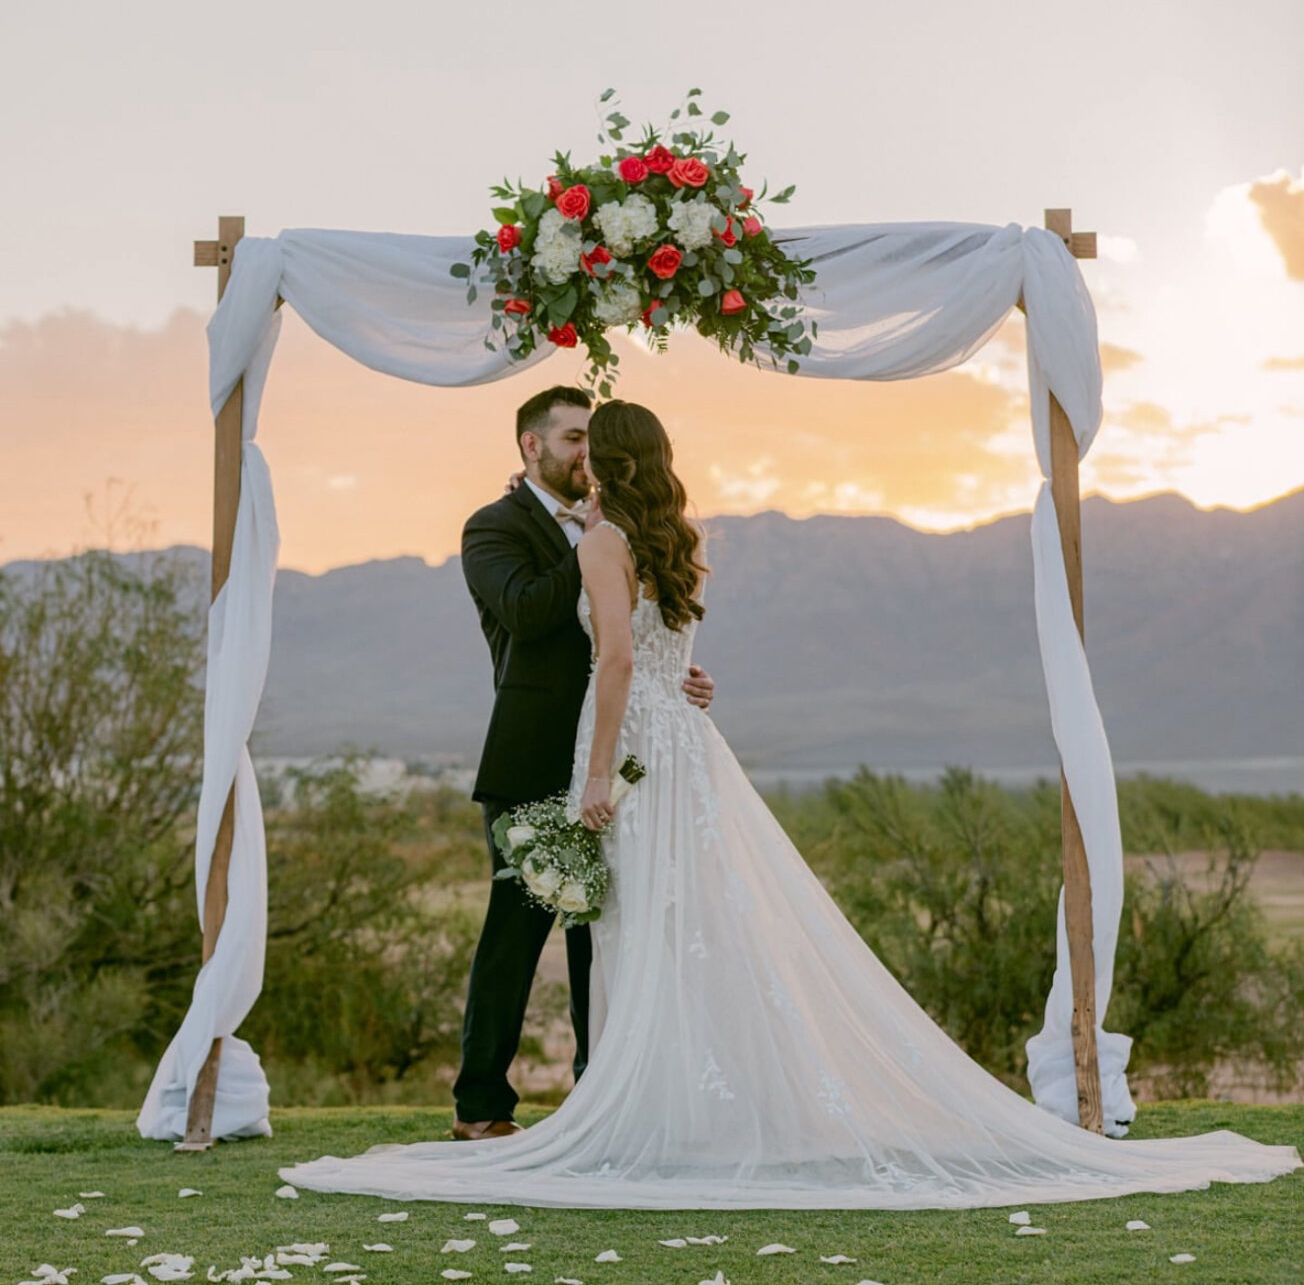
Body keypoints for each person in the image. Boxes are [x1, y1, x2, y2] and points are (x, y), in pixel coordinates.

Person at [282, 401, 1300, 1208]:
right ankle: (687, 1109)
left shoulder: (600, 542)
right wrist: (672, 695)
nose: (583, 455)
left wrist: (595, 778)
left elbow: (620, 663)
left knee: (647, 925)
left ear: (608, 460)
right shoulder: (669, 533)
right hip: (688, 751)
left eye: (594, 444)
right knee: (695, 923)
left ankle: (661, 1112)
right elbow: (665, 651)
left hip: (639, 749)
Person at [450, 386, 714, 1141]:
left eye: (592, 440)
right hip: (534, 753)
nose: (585, 454)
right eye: (572, 439)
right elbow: (529, 611)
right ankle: (481, 1105)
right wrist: (592, 546)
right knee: (517, 929)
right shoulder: (491, 528)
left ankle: (601, 1097)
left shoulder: (624, 534)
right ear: (532, 447)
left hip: (621, 753)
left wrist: (682, 680)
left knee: (605, 933)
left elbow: (632, 637)